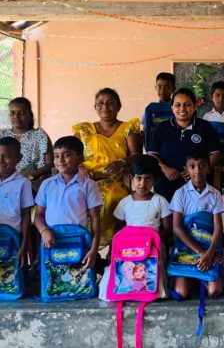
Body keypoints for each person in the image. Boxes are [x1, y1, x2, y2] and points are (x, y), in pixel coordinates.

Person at [73, 88, 141, 248]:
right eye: (100, 103)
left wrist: (121, 162)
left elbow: (136, 155)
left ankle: (107, 244)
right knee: (74, 199)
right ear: (95, 107)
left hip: (116, 178)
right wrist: (79, 168)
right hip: (86, 177)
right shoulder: (84, 130)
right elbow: (73, 154)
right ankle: (80, 245)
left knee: (112, 198)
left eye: (110, 103)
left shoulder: (128, 128)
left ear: (119, 106)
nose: (105, 107)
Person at [34, 136, 102, 269]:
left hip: (78, 241)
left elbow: (95, 220)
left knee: (77, 278)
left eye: (66, 155)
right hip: (51, 240)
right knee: (52, 278)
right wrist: (44, 231)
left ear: (80, 158)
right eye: (56, 156)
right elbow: (39, 215)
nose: (60, 160)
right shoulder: (47, 184)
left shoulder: (88, 185)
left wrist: (94, 250)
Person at [169, 150, 224, 299]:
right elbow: (177, 227)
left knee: (214, 292)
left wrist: (210, 253)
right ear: (186, 170)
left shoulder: (215, 194)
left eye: (202, 166)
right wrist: (201, 253)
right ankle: (192, 278)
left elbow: (218, 227)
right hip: (187, 247)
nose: (197, 170)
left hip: (209, 247)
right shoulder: (180, 193)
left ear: (209, 168)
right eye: (192, 166)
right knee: (181, 293)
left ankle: (202, 279)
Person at [148, 88, 221, 201]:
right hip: (167, 179)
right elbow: (152, 154)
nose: (182, 109)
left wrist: (197, 171)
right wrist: (165, 168)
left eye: (187, 105)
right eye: (177, 105)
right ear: (172, 107)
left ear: (194, 107)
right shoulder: (162, 128)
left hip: (198, 180)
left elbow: (215, 154)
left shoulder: (205, 127)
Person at [0, 97, 53, 189]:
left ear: (29, 115)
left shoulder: (40, 135)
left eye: (21, 113)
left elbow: (50, 164)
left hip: (31, 184)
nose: (16, 116)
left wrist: (28, 177)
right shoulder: (2, 134)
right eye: (13, 113)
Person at [113, 155, 171, 238]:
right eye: (138, 178)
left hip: (152, 242)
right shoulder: (124, 202)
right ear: (132, 178)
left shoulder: (160, 201)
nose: (142, 184)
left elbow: (168, 228)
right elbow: (118, 229)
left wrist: (154, 239)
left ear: (154, 181)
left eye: (148, 179)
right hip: (130, 243)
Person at [0, 137, 34, 266]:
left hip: (13, 239)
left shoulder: (23, 183)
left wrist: (23, 245)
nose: (1, 160)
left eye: (6, 156)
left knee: (12, 275)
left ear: (18, 158)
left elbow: (26, 216)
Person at [203, 81, 224, 163]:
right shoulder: (207, 116)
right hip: (211, 154)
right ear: (211, 97)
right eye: (217, 95)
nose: (221, 99)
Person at [142, 72, 176, 151]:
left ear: (173, 89)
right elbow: (146, 131)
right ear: (155, 87)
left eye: (166, 87)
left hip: (174, 148)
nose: (162, 90)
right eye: (159, 86)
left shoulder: (177, 108)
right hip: (155, 150)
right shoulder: (150, 108)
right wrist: (149, 150)